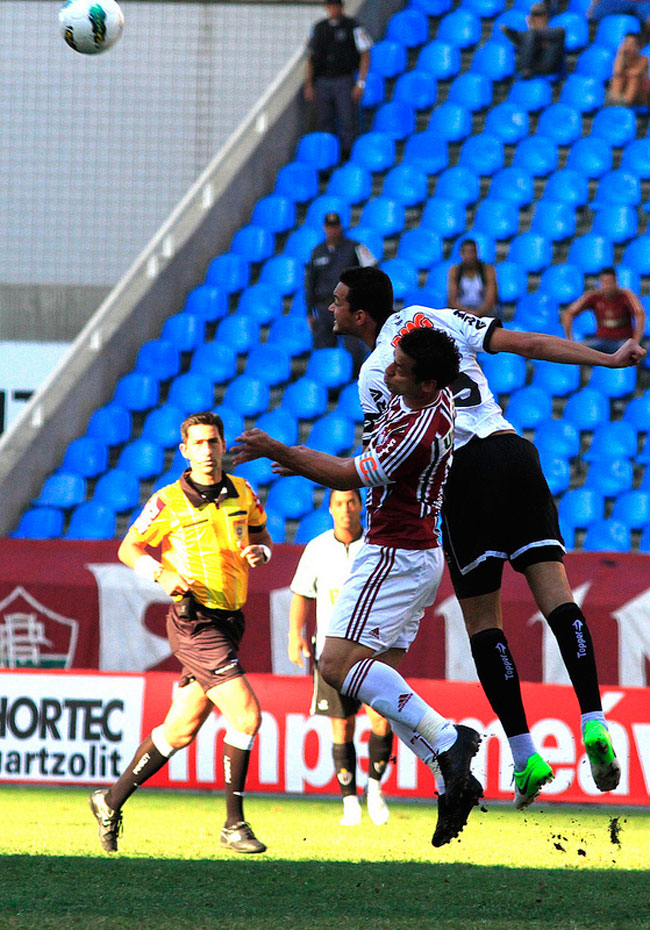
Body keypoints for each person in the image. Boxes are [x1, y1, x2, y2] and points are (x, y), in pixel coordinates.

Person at [327, 265, 646, 810]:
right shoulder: (435, 318)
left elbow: (392, 463)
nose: (329, 309)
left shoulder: (378, 373)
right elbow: (526, 342)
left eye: (336, 302)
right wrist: (606, 358)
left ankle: (526, 757)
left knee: (484, 622)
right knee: (559, 598)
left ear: (360, 315)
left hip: (465, 475)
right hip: (514, 451)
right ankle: (594, 719)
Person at [235, 326, 485, 849]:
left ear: (428, 381)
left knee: (334, 665)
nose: (390, 371)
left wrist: (278, 449)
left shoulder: (421, 427)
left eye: (400, 369)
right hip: (418, 554)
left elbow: (350, 474)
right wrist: (306, 458)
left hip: (393, 553)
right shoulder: (430, 398)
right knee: (384, 687)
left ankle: (448, 739)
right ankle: (450, 780)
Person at [89, 411, 273, 855]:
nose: (208, 451)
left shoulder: (243, 491)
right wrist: (161, 573)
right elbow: (128, 547)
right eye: (199, 444)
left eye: (213, 442)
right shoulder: (168, 500)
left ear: (223, 444)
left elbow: (262, 532)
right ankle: (234, 824)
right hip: (194, 620)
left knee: (179, 730)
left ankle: (108, 801)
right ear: (184, 451)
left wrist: (261, 551)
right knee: (246, 715)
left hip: (230, 619)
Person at [289, 488, 393, 826]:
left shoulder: (377, 547)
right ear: (330, 509)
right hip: (330, 654)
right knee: (341, 727)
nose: (346, 509)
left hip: (371, 649)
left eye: (351, 502)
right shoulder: (317, 549)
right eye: (338, 503)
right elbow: (302, 593)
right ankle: (349, 801)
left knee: (380, 719)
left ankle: (374, 789)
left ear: (362, 507)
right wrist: (295, 635)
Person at [305, 211, 376, 371]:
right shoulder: (317, 251)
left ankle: (356, 379)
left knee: (353, 348)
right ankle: (327, 387)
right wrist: (309, 311)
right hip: (324, 306)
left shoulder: (354, 247)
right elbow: (310, 283)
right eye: (329, 227)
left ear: (340, 227)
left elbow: (372, 270)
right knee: (323, 349)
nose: (332, 230)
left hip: (347, 306)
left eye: (335, 227)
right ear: (324, 228)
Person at [305, 0, 372, 160]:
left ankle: (348, 154)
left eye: (336, 6)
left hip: (343, 79)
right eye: (330, 6)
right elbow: (310, 58)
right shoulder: (319, 28)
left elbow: (365, 54)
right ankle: (327, 158)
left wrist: (360, 82)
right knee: (324, 120)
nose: (333, 9)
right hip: (322, 81)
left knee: (347, 119)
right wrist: (309, 84)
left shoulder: (353, 26)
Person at [562, 267, 646, 353]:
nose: (607, 286)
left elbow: (640, 314)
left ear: (616, 282)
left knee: (630, 350)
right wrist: (570, 339)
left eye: (610, 282)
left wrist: (635, 341)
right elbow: (568, 313)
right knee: (579, 350)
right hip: (601, 341)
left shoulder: (626, 295)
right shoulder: (593, 296)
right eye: (604, 282)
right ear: (599, 283)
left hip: (623, 341)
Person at [501, 2, 566, 79]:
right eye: (534, 16)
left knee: (529, 35)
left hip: (549, 68)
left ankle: (525, 70)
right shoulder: (528, 37)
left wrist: (532, 31)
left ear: (546, 17)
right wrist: (531, 31)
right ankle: (525, 70)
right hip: (531, 69)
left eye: (540, 15)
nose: (537, 19)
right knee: (528, 38)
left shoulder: (558, 33)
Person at [447, 239, 499, 318]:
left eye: (472, 252)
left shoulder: (488, 270)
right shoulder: (455, 271)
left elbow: (490, 300)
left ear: (477, 253)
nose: (469, 256)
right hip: (461, 311)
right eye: (466, 253)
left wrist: (477, 313)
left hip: (484, 312)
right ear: (461, 254)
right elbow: (452, 300)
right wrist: (467, 314)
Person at [608, 33, 650, 106]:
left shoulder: (644, 59)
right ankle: (614, 102)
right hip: (624, 90)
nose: (628, 47)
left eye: (631, 44)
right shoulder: (622, 58)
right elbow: (616, 72)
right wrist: (620, 54)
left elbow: (635, 72)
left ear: (638, 47)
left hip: (641, 94)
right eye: (626, 43)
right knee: (618, 78)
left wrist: (622, 72)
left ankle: (625, 103)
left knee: (634, 78)